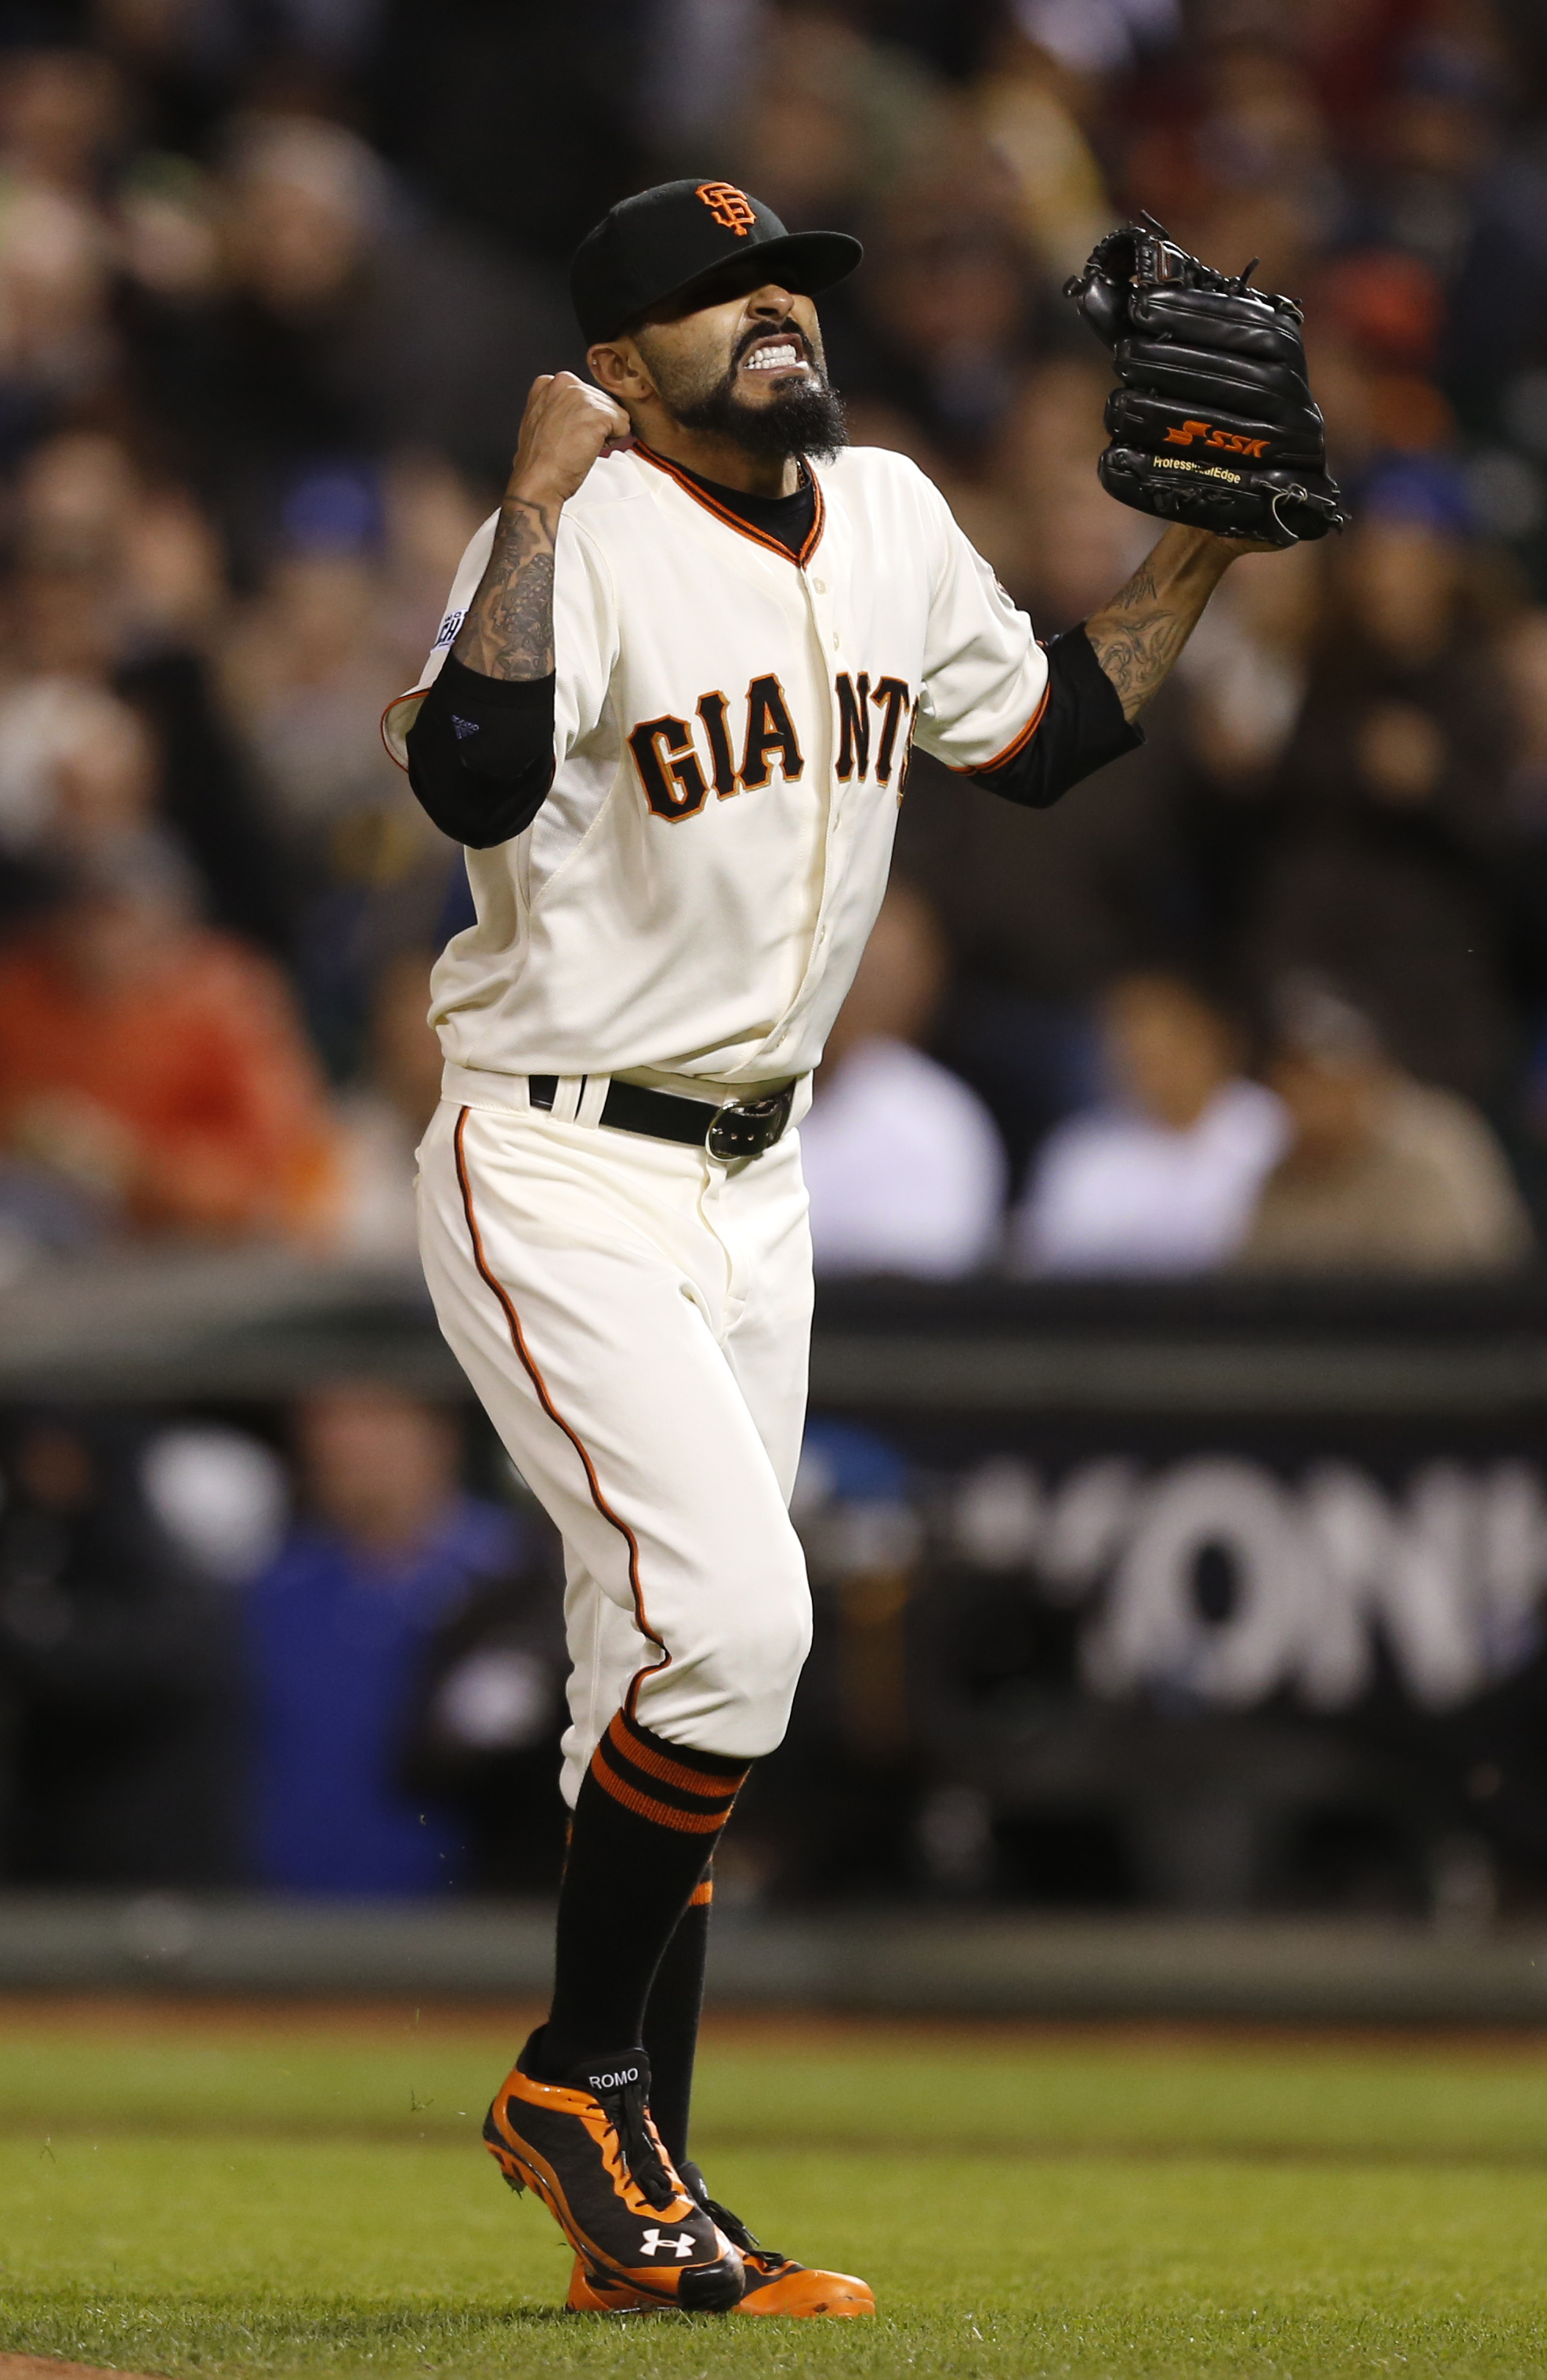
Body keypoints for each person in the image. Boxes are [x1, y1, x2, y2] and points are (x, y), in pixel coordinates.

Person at [385, 177, 1285, 2317]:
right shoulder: (576, 535)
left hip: (758, 1180)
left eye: (788, 279)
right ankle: (575, 2082)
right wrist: (524, 505)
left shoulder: (880, 512)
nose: (776, 308)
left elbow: (1046, 734)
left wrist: (1200, 553)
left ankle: (638, 2198)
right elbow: (471, 779)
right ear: (617, 370)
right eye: (719, 296)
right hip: (559, 1155)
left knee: (658, 1664)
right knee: (739, 1623)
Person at [242, 1384, 562, 1894]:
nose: (346, 1443)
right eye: (326, 1420)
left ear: (440, 1433)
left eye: (375, 1416)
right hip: (290, 1921)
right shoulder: (270, 1593)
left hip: (473, 1918)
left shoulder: (522, 1583)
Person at [1240, 978, 1531, 1273]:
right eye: (1286, 1078)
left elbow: (1461, 1283)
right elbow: (1257, 1279)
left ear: (1362, 1077)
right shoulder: (1282, 1165)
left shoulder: (1431, 1143)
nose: (1298, 1098)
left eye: (1310, 1077)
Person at [1013, 971, 1288, 1274]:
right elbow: (1047, 1267)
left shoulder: (1272, 1128)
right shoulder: (1081, 1151)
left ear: (1216, 1037)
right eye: (1129, 1040)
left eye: (1167, 1039)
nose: (1147, 1058)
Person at [800, 879, 1005, 1276]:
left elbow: (930, 1283)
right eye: (855, 969)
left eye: (881, 975)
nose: (862, 992)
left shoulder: (935, 1118)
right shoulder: (720, 1089)